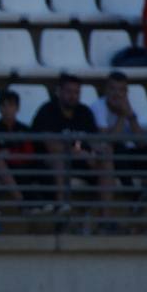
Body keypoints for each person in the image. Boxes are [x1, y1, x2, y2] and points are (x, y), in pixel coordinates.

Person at [30, 73, 110, 215]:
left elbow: (94, 141)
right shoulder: (47, 111)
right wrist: (77, 151)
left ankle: (105, 215)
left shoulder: (84, 112)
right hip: (48, 162)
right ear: (59, 91)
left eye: (76, 92)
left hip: (82, 160)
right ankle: (62, 206)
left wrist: (97, 151)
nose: (73, 96)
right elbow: (51, 146)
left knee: (106, 159)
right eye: (68, 91)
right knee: (58, 158)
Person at [92, 72, 147, 197]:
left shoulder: (127, 107)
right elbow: (107, 141)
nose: (117, 94)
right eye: (112, 89)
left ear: (126, 93)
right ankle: (133, 195)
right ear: (106, 90)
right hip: (106, 158)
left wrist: (131, 117)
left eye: (121, 90)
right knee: (118, 148)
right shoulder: (98, 107)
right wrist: (122, 115)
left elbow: (141, 142)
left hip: (127, 156)